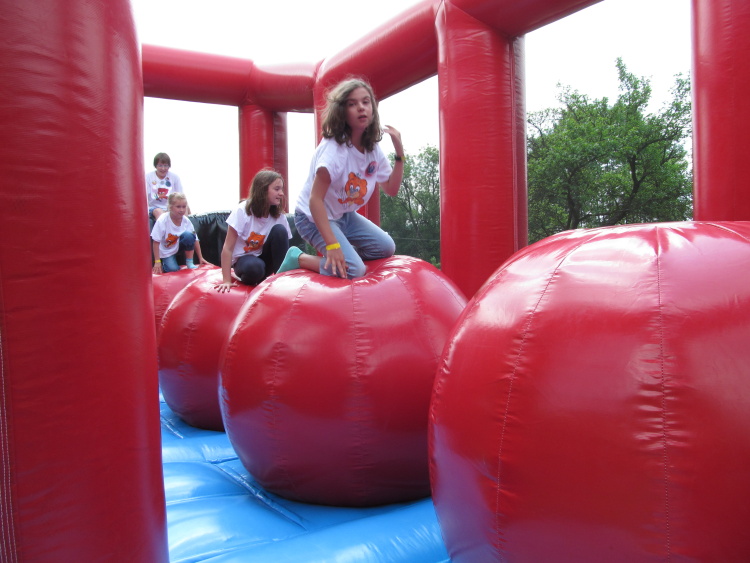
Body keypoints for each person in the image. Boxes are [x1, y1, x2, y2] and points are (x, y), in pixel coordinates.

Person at [277, 77, 404, 279]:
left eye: (366, 102)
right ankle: (299, 258)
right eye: (352, 104)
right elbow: (315, 200)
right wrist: (333, 245)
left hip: (344, 215)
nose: (361, 108)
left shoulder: (372, 148)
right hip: (311, 217)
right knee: (354, 269)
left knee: (386, 247)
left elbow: (391, 189)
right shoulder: (334, 151)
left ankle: (347, 257)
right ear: (342, 112)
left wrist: (399, 152)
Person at [214, 169, 292, 292]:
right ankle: (254, 278)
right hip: (246, 262)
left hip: (265, 261)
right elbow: (227, 248)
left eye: (281, 189)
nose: (281, 193)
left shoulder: (279, 216)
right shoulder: (242, 211)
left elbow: (282, 249)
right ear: (263, 189)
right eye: (277, 189)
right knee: (255, 267)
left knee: (280, 230)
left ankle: (281, 279)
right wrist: (227, 280)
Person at [151, 192, 208, 273]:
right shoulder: (163, 220)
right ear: (170, 207)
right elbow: (156, 242)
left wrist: (200, 257)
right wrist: (157, 261)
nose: (181, 210)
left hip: (178, 246)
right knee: (173, 269)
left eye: (184, 207)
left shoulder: (185, 220)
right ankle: (165, 264)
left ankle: (189, 262)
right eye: (178, 207)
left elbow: (195, 239)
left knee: (189, 235)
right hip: (167, 250)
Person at [146, 152, 188, 221]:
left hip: (170, 207)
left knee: (184, 208)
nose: (163, 168)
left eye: (165, 166)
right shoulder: (148, 177)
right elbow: (144, 197)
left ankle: (185, 226)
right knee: (159, 212)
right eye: (160, 166)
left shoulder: (174, 177)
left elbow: (181, 196)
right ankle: (164, 227)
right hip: (154, 207)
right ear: (156, 166)